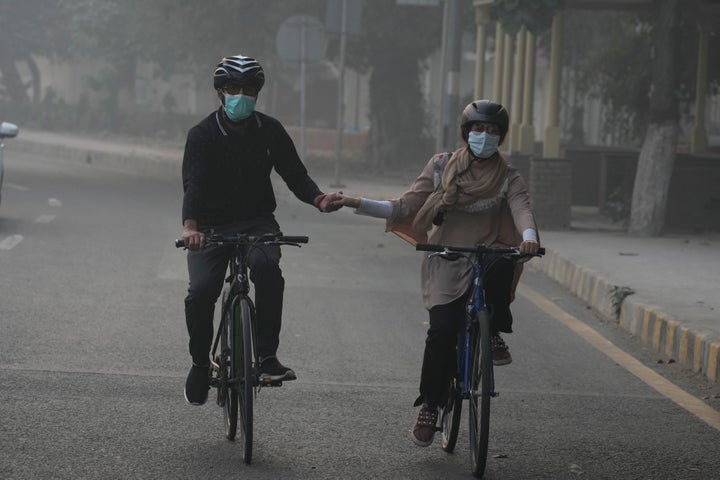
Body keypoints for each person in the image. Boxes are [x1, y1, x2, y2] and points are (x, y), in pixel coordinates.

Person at [331, 100, 539, 447]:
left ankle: (494, 330)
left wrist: (530, 238)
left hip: (485, 255)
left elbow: (522, 209)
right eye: (478, 129)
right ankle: (429, 403)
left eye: (492, 131)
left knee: (506, 261)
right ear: (464, 132)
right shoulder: (442, 166)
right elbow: (406, 206)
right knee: (441, 332)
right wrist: (354, 201)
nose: (484, 136)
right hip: (444, 258)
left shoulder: (508, 176)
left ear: (500, 137)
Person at [180, 54, 341, 406]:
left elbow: (294, 174)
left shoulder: (270, 131)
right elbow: (194, 184)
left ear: (257, 93)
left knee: (268, 269)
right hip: (210, 225)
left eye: (248, 89)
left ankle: (267, 357)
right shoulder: (202, 135)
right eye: (234, 88)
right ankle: (198, 363)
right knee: (202, 291)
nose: (241, 95)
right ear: (221, 93)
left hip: (257, 221)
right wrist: (191, 228)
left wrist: (318, 199)